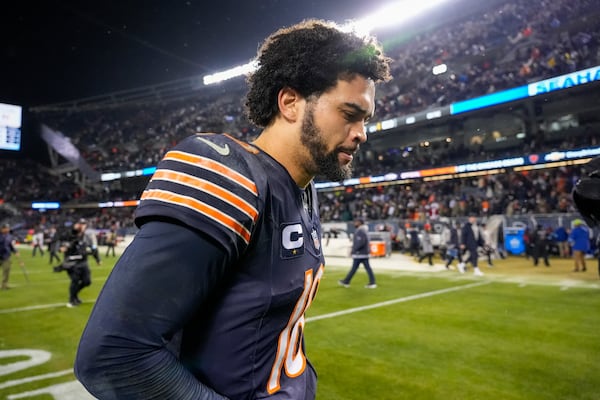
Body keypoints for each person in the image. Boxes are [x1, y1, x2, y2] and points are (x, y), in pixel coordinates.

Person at [75, 19, 391, 400]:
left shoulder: (303, 190)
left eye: (365, 119)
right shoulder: (229, 174)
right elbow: (113, 353)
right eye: (349, 113)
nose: (361, 132)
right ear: (290, 102)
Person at [56, 219, 101, 307]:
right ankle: (71, 300)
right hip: (72, 262)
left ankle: (74, 295)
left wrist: (97, 259)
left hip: (83, 262)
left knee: (87, 282)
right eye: (80, 224)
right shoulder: (70, 234)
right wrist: (62, 248)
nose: (82, 226)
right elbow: (61, 241)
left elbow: (93, 248)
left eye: (84, 224)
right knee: (75, 280)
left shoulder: (87, 236)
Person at [339, 219, 377, 288]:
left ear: (359, 223)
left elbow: (360, 242)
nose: (354, 223)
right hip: (363, 253)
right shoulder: (364, 230)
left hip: (360, 254)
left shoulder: (360, 231)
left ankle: (346, 281)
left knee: (355, 268)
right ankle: (372, 282)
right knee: (366, 268)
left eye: (356, 222)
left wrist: (353, 250)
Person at [0, 223, 19, 290]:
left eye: (8, 228)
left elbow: (10, 245)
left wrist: (15, 251)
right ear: (2, 229)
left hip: (6, 256)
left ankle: (4, 285)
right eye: (6, 228)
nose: (7, 229)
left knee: (6, 270)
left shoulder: (9, 236)